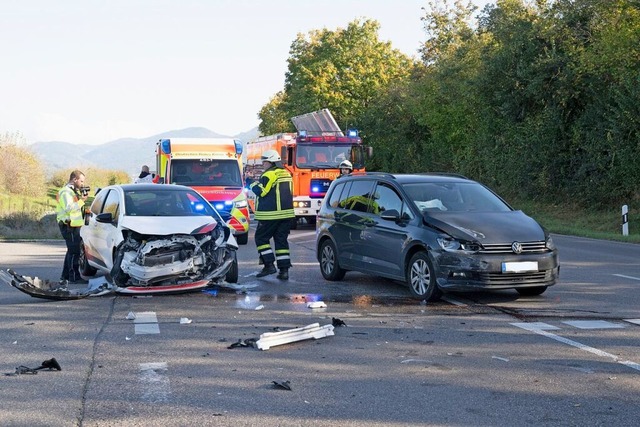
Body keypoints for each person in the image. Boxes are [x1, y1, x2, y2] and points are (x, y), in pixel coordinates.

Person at [248, 150, 295, 280]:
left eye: (265, 162)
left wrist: (250, 182)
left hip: (270, 215)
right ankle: (284, 271)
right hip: (286, 214)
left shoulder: (269, 174)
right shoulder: (286, 173)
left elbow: (261, 192)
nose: (263, 164)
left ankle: (269, 265)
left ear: (271, 162)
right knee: (281, 242)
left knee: (261, 239)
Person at [56, 170, 89, 284]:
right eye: (81, 181)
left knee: (71, 251)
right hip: (68, 225)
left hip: (73, 225)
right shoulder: (66, 192)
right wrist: (81, 201)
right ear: (74, 179)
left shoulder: (71, 191)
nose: (82, 184)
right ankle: (74, 276)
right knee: (74, 252)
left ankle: (65, 276)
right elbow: (69, 208)